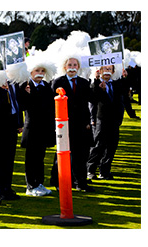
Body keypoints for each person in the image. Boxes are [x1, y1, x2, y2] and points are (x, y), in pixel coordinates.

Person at [51, 52, 94, 191]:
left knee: (81, 155)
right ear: (64, 66)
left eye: (75, 65)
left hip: (81, 124)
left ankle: (80, 183)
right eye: (69, 65)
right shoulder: (58, 82)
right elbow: (53, 105)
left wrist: (88, 122)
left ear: (79, 67)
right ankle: (59, 182)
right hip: (64, 124)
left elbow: (91, 101)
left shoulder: (84, 82)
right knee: (62, 154)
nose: (72, 67)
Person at [19, 53, 56, 196]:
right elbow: (22, 106)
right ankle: (30, 186)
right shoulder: (25, 86)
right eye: (37, 71)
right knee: (31, 158)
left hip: (44, 128)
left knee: (40, 157)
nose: (40, 74)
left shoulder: (47, 86)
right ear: (30, 71)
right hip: (31, 127)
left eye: (42, 71)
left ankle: (39, 183)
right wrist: (27, 94)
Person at [87, 63, 130, 180]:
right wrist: (97, 83)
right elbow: (92, 99)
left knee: (111, 147)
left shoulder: (116, 84)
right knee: (98, 145)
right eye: (105, 68)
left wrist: (125, 77)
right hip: (100, 119)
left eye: (109, 69)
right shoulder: (95, 83)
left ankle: (105, 171)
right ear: (100, 70)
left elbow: (124, 91)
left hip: (114, 120)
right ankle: (90, 170)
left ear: (112, 71)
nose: (107, 71)